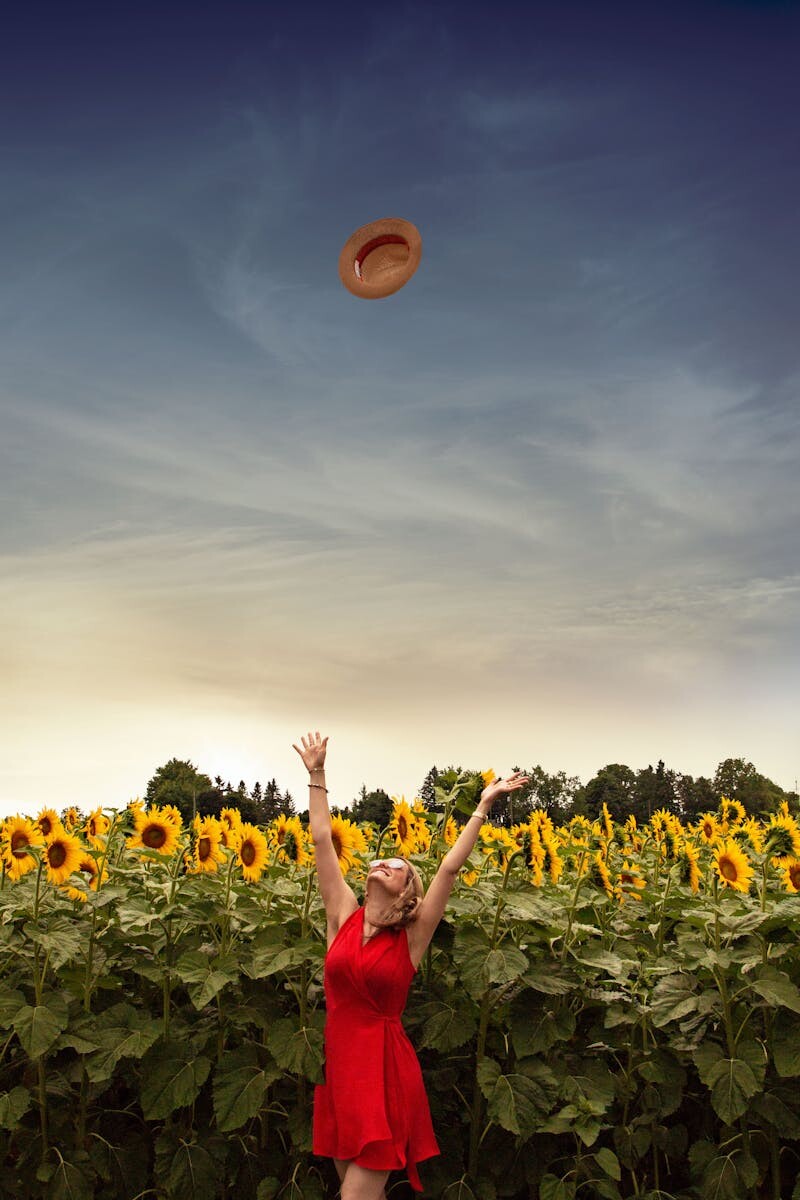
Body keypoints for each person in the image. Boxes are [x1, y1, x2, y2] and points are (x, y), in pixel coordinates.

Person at [292, 730, 529, 1200]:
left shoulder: (411, 937)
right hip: (340, 1069)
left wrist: (483, 806)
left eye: (396, 864)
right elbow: (322, 840)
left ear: (407, 890)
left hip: (382, 1074)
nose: (383, 862)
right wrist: (317, 773)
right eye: (379, 860)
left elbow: (448, 870)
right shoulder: (341, 914)